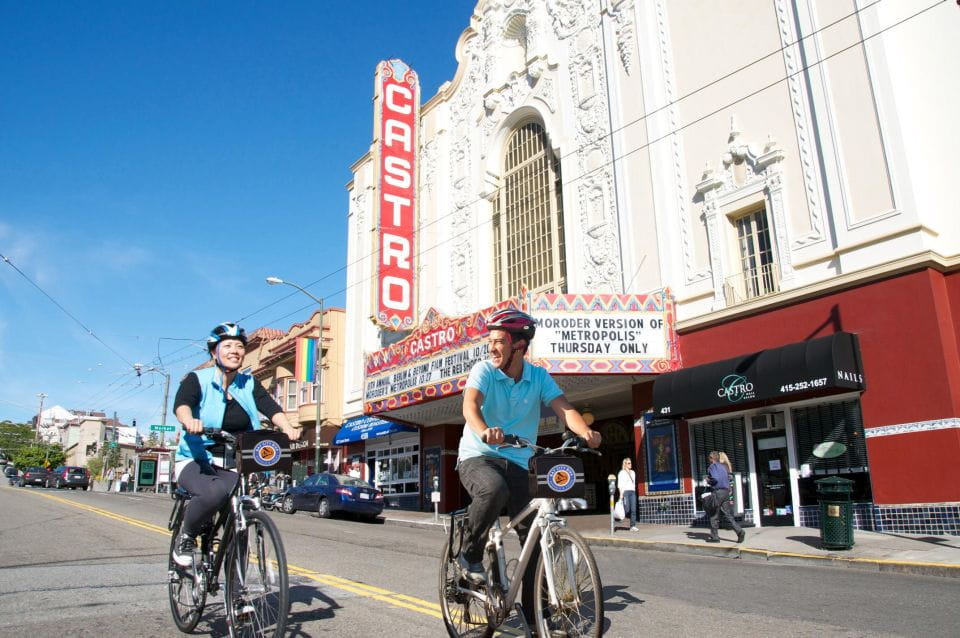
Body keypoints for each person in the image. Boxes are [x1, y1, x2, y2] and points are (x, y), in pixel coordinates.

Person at [457, 308, 602, 587]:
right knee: (493, 489)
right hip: (480, 456)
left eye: (499, 341)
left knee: (535, 537)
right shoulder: (484, 370)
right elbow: (470, 405)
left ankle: (538, 620)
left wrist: (586, 431)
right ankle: (470, 553)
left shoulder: (538, 377)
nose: (492, 348)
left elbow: (564, 408)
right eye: (490, 341)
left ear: (519, 346)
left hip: (520, 463)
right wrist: (485, 430)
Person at [170, 321, 301, 567]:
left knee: (239, 515)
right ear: (214, 352)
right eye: (227, 345)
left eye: (239, 346)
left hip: (233, 461)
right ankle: (186, 536)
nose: (235, 350)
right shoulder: (197, 379)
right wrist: (190, 421)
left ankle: (238, 597)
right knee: (213, 493)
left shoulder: (248, 383)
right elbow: (183, 404)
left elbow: (271, 407)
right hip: (197, 458)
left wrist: (288, 428)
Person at [706, 450, 745, 543]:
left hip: (718, 492)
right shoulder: (724, 467)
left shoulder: (712, 466)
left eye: (709, 458)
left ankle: (715, 537)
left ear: (712, 458)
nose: (708, 460)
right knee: (727, 514)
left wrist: (709, 480)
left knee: (713, 514)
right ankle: (739, 531)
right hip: (726, 492)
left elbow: (715, 479)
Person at [617, 458, 638, 532]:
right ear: (625, 464)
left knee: (633, 509)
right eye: (629, 463)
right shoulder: (621, 473)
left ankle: (632, 526)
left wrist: (634, 491)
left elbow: (634, 483)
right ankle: (618, 517)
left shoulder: (633, 472)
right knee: (627, 509)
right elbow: (620, 484)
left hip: (632, 492)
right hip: (625, 492)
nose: (630, 464)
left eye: (630, 463)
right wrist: (621, 494)